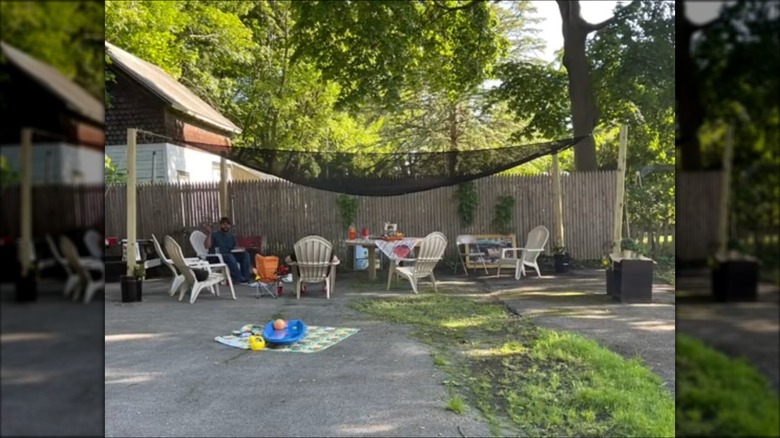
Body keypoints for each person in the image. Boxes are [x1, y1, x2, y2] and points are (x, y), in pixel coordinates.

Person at [203, 217, 257, 286]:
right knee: (229, 256)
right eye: (223, 224)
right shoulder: (214, 234)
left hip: (229, 256)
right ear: (220, 225)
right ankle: (238, 279)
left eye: (227, 224)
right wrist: (209, 233)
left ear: (230, 226)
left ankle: (246, 279)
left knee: (245, 254)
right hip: (216, 257)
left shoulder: (231, 236)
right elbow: (206, 246)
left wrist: (241, 249)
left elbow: (234, 248)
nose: (226, 226)